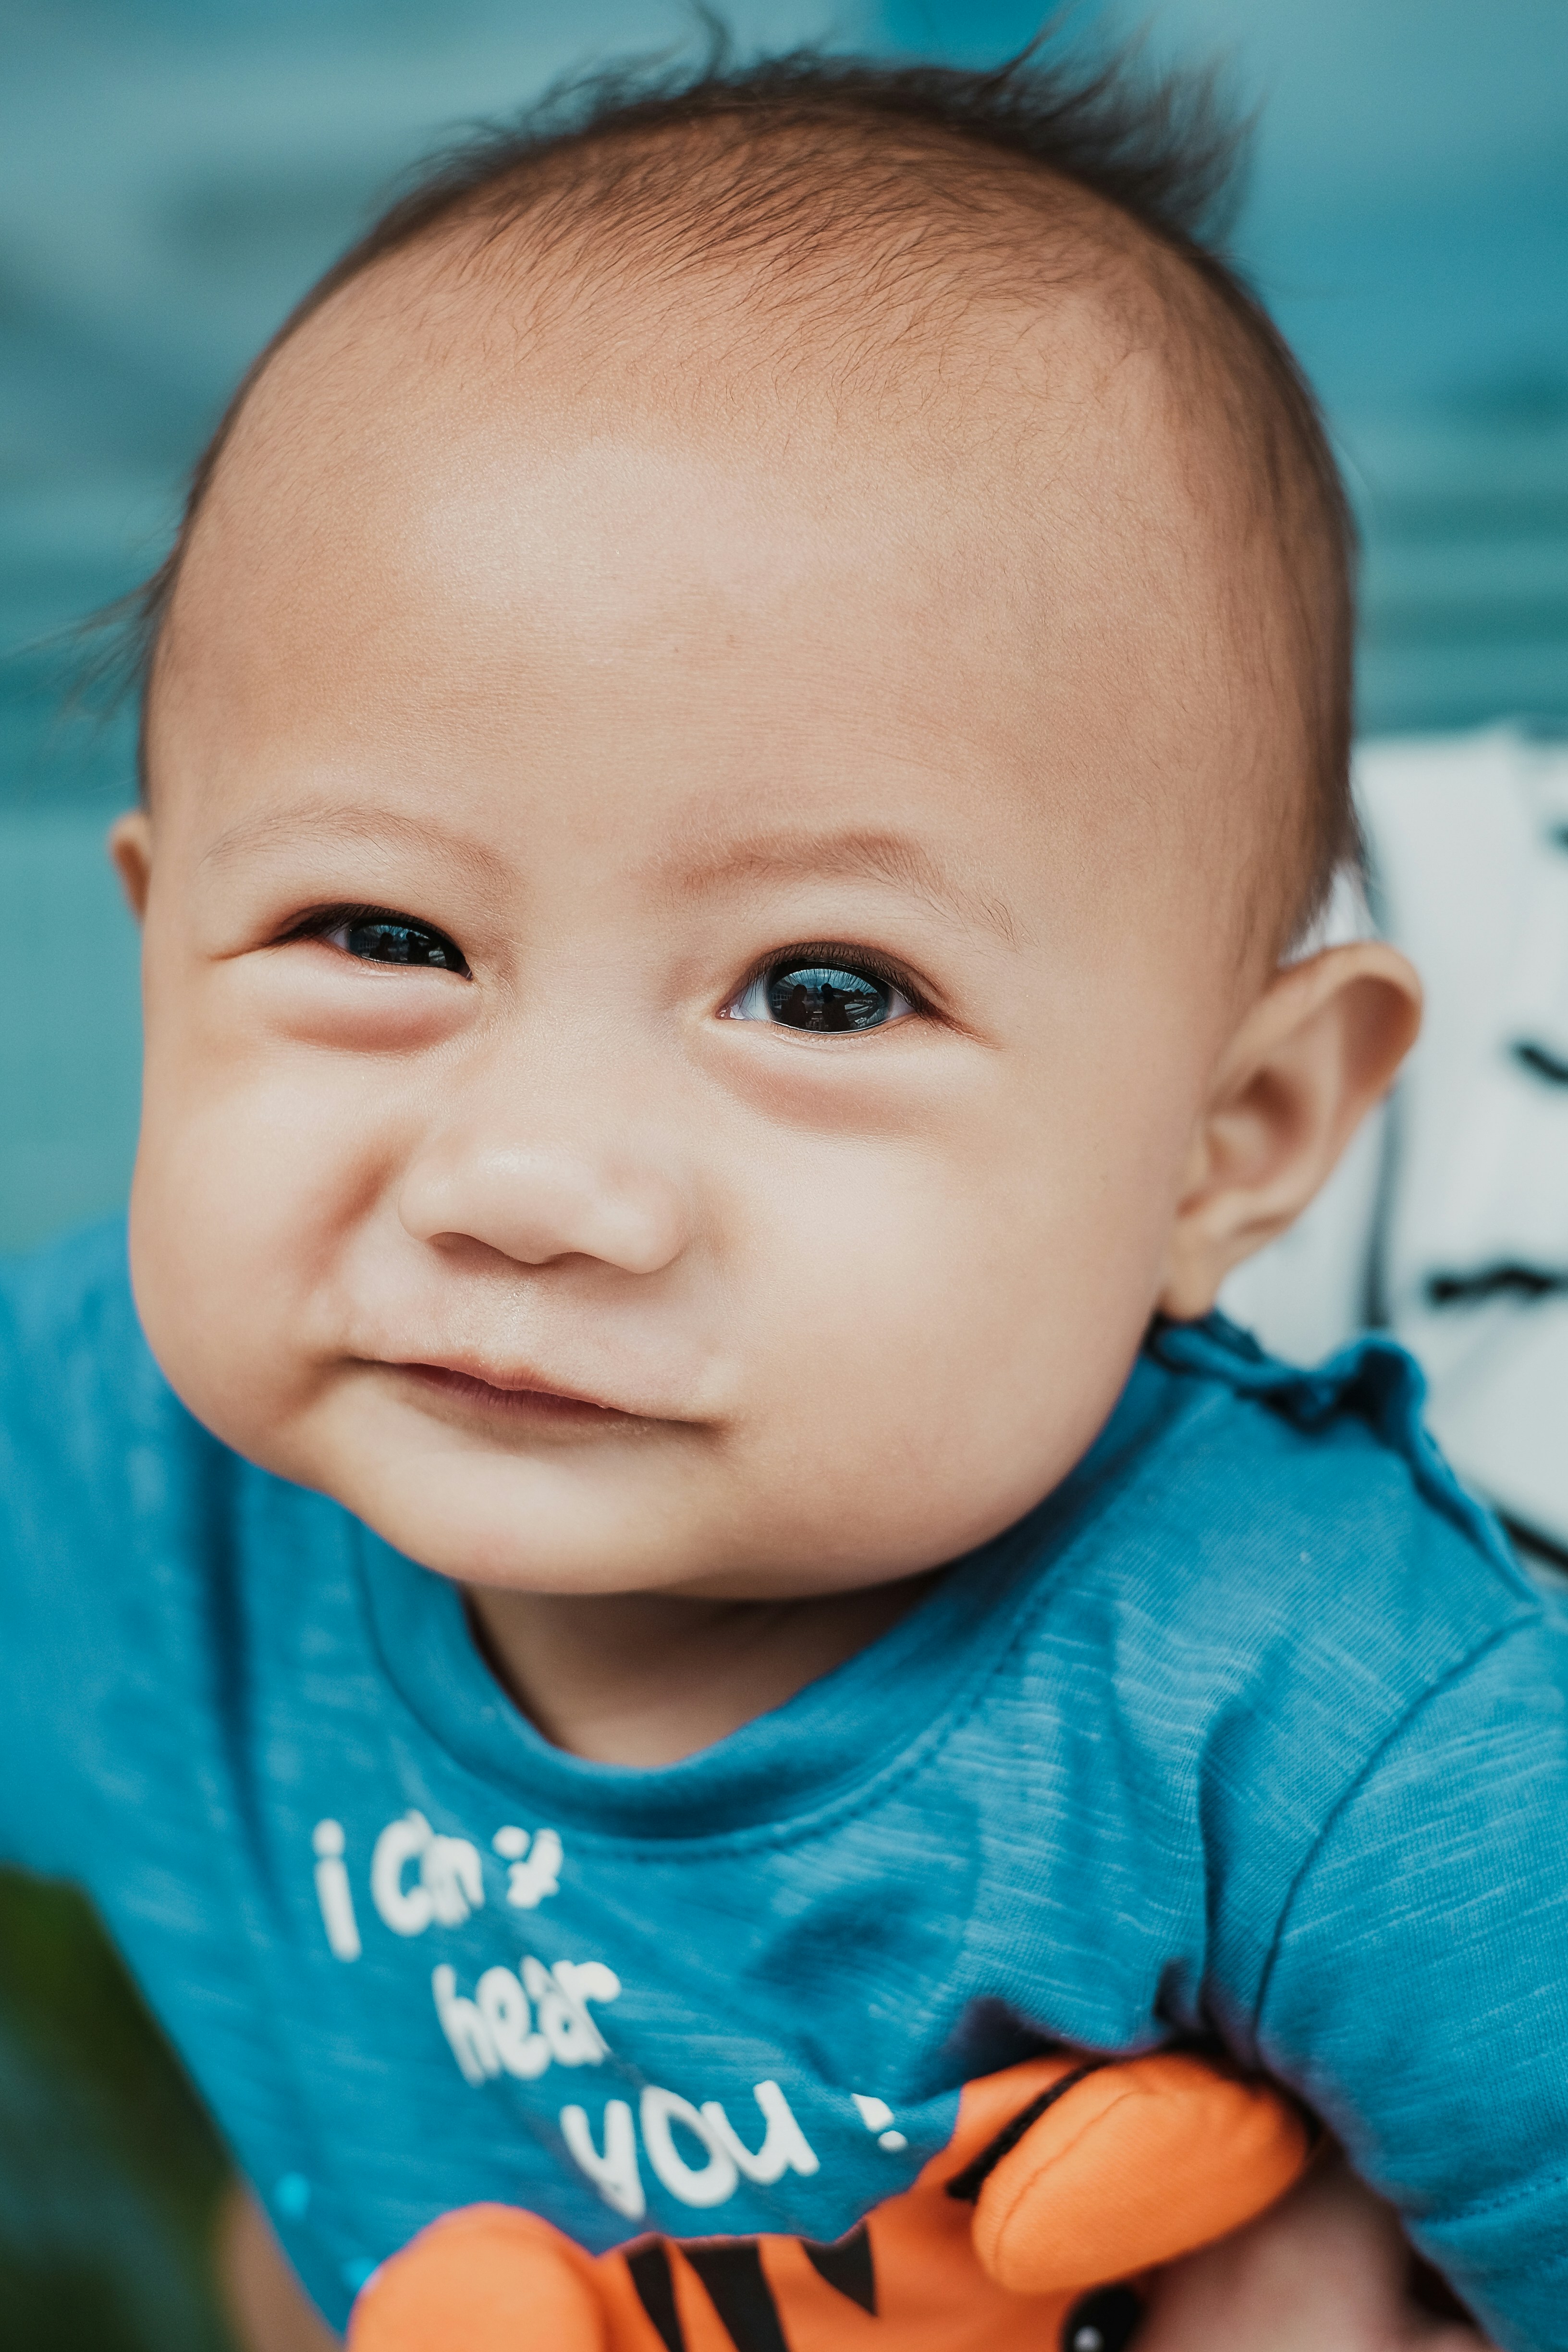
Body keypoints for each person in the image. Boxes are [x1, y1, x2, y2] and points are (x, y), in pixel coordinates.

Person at [2, 38, 1558, 2350]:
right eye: (382, 938)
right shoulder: (110, 1468)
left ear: (1226, 1146)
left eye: (826, 994)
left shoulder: (1316, 1716)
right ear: (161, 959)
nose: (535, 1183)